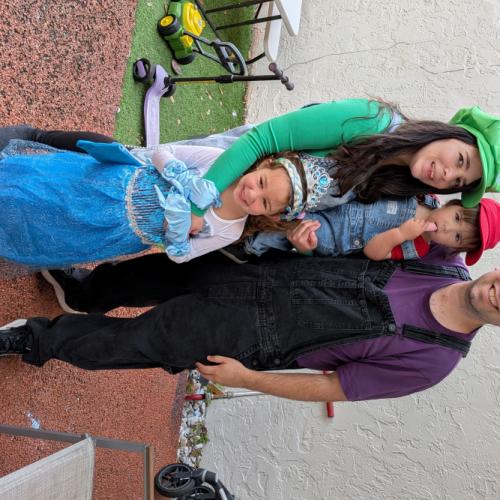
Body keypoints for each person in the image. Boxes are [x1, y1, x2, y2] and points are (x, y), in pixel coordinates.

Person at [1, 210, 499, 401]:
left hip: (250, 336)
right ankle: (85, 293)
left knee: (135, 342)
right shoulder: (440, 255)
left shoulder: (432, 361)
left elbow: (335, 387)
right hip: (259, 270)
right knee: (152, 274)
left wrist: (248, 379)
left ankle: (36, 339)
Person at [186, 98, 500, 260]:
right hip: (210, 178)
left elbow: (309, 210)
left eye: (458, 182)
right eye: (461, 160)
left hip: (233, 223)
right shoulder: (372, 119)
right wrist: (198, 204)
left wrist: (304, 245)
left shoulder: (397, 185)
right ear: (452, 133)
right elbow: (263, 139)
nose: (447, 174)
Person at [0, 140, 323, 268]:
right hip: (111, 185)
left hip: (117, 231)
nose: (252, 195)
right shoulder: (219, 161)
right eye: (261, 182)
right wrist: (181, 178)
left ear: (271, 215)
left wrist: (177, 233)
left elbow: (181, 256)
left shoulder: (230, 231)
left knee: (52, 226)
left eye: (264, 202)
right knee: (42, 189)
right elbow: (161, 152)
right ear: (263, 165)